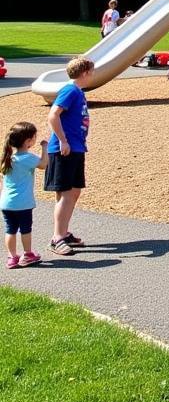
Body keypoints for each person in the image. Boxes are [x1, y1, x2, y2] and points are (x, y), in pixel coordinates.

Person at [45, 56, 94, 256]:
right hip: (64, 149)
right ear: (84, 73)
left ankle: (63, 233)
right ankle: (57, 238)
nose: (93, 74)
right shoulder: (70, 91)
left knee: (73, 192)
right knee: (66, 194)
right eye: (92, 70)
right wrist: (63, 141)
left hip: (76, 148)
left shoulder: (78, 92)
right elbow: (53, 115)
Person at [2, 123, 48, 268]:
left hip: (6, 203)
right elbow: (43, 165)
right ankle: (27, 254)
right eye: (34, 137)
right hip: (23, 203)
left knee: (10, 230)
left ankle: (12, 257)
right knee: (25, 229)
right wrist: (44, 148)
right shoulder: (27, 157)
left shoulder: (8, 158)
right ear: (28, 141)